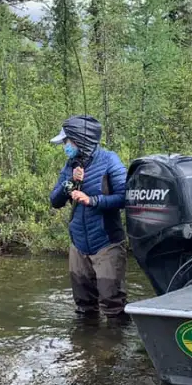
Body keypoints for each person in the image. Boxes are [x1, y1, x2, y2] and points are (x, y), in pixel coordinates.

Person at [49, 115, 130, 322]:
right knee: (84, 307)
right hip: (78, 244)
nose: (65, 146)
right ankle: (86, 351)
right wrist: (70, 181)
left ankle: (113, 351)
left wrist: (91, 200)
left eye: (67, 141)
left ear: (80, 140)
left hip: (106, 242)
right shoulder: (70, 165)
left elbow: (124, 198)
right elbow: (55, 201)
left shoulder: (110, 160)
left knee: (113, 306)